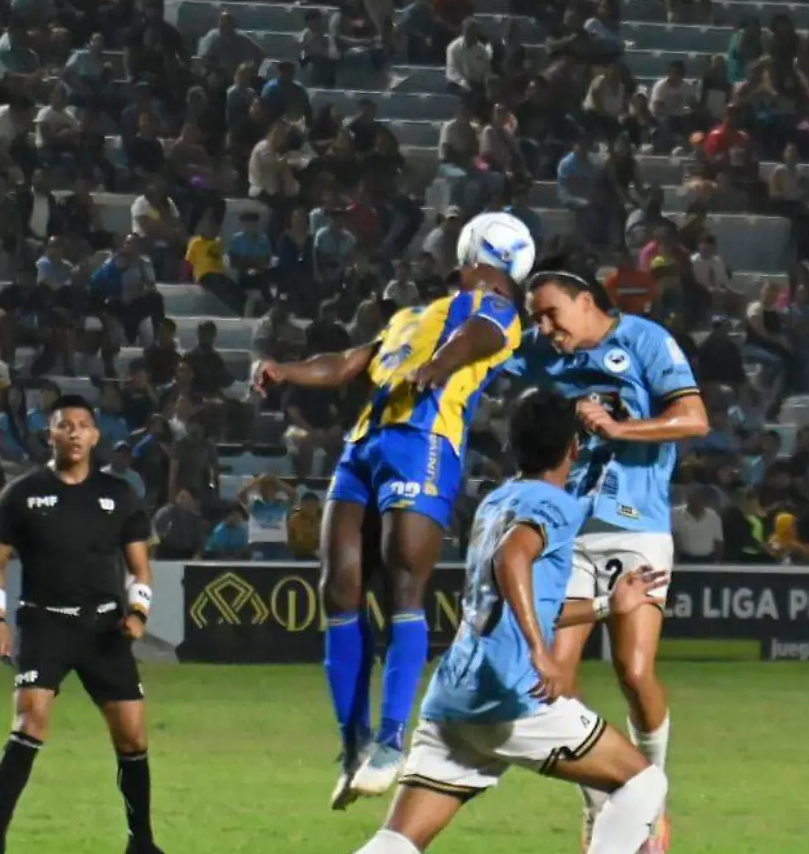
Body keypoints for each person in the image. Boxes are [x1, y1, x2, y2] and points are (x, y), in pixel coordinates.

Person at [252, 212, 534, 808]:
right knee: (337, 588)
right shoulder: (411, 316)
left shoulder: (499, 313)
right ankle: (352, 743)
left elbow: (478, 338)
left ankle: (390, 740)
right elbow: (351, 362)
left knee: (406, 580)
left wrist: (438, 367)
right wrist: (286, 371)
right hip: (363, 444)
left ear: (483, 253)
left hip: (424, 443)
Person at [347, 388, 670, 854]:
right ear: (573, 450)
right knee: (642, 784)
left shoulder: (496, 501)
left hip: (454, 696)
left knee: (398, 840)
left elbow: (527, 594)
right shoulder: (555, 504)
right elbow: (511, 557)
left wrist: (605, 607)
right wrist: (542, 653)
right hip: (512, 693)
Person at [499, 267, 705, 844]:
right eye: (535, 317)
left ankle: (652, 796)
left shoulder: (644, 340)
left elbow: (694, 418)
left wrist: (619, 428)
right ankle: (604, 801)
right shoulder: (542, 352)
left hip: (637, 530)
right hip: (569, 531)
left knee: (634, 672)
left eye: (551, 314)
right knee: (556, 680)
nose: (544, 327)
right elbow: (486, 359)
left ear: (586, 302)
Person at [0, 394, 162, 854]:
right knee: (30, 721)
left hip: (105, 630)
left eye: (83, 425)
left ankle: (141, 842)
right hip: (46, 625)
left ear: (96, 435)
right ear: (50, 434)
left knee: (133, 735)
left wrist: (139, 613)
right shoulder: (21, 494)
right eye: (64, 425)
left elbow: (140, 567)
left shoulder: (118, 494)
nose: (74, 432)